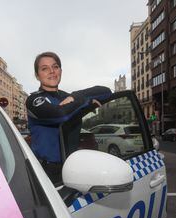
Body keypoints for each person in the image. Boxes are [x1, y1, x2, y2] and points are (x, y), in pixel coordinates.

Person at [26, 51, 112, 186]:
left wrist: (75, 96)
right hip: (46, 173)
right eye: (44, 68)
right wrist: (83, 101)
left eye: (55, 67)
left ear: (60, 70)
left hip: (74, 168)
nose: (51, 71)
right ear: (37, 75)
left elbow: (106, 91)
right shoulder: (34, 100)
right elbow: (61, 115)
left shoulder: (69, 97)